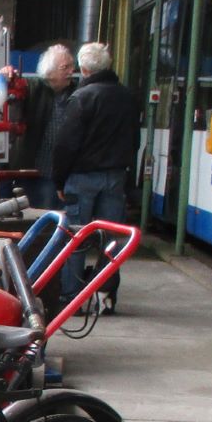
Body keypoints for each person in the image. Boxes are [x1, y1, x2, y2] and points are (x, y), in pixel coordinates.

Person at [54, 41, 141, 306]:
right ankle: (106, 295)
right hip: (115, 176)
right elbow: (135, 141)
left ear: (84, 68)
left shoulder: (81, 98)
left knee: (76, 238)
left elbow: (66, 144)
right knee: (111, 239)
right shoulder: (128, 98)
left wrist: (60, 179)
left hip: (81, 177)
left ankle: (71, 298)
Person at [18, 43, 76, 210]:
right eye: (65, 67)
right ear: (50, 71)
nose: (71, 71)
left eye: (72, 66)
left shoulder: (76, 92)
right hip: (37, 171)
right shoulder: (33, 88)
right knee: (41, 216)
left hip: (65, 174)